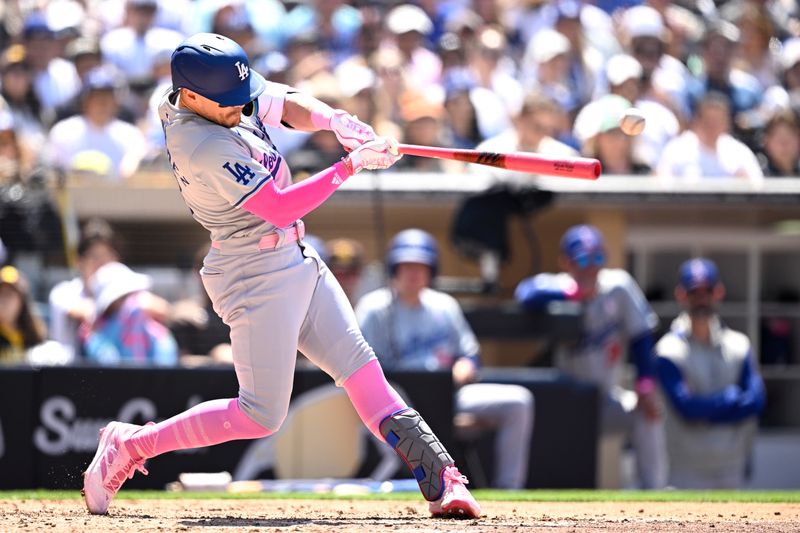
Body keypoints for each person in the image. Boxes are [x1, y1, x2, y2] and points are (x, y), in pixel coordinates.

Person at [82, 33, 480, 519]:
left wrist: (336, 120)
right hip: (252, 273)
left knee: (361, 370)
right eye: (227, 103)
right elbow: (277, 206)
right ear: (189, 96)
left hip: (296, 258)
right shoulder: (199, 142)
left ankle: (444, 481)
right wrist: (350, 164)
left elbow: (283, 103)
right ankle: (131, 444)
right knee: (260, 415)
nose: (239, 108)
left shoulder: (215, 94)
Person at [356, 229, 535, 489]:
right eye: (406, 265)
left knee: (519, 401)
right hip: (393, 403)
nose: (413, 273)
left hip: (447, 396)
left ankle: (509, 489)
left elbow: (470, 355)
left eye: (420, 266)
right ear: (394, 268)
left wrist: (464, 368)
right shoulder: (374, 308)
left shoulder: (444, 306)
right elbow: (358, 365)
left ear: (432, 270)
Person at [514, 224, 667, 489]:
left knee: (646, 412)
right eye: (583, 259)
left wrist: (645, 386)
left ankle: (654, 491)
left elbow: (642, 337)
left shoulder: (618, 286)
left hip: (607, 399)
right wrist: (571, 294)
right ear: (566, 262)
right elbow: (524, 293)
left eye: (597, 258)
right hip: (568, 402)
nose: (590, 267)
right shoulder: (558, 285)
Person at [655, 258, 766, 489]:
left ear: (719, 292)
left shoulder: (740, 345)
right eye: (694, 292)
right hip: (686, 470)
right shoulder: (668, 350)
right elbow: (686, 408)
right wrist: (730, 400)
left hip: (732, 466)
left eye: (707, 291)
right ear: (681, 295)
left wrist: (709, 408)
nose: (701, 299)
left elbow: (756, 401)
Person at [83, 261, 178, 366]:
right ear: (109, 307)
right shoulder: (96, 340)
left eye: (133, 295)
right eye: (123, 299)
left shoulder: (161, 339)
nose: (132, 304)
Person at [0, 264, 46, 364]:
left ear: (21, 300)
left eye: (9, 295)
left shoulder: (34, 334)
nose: (4, 301)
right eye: (1, 294)